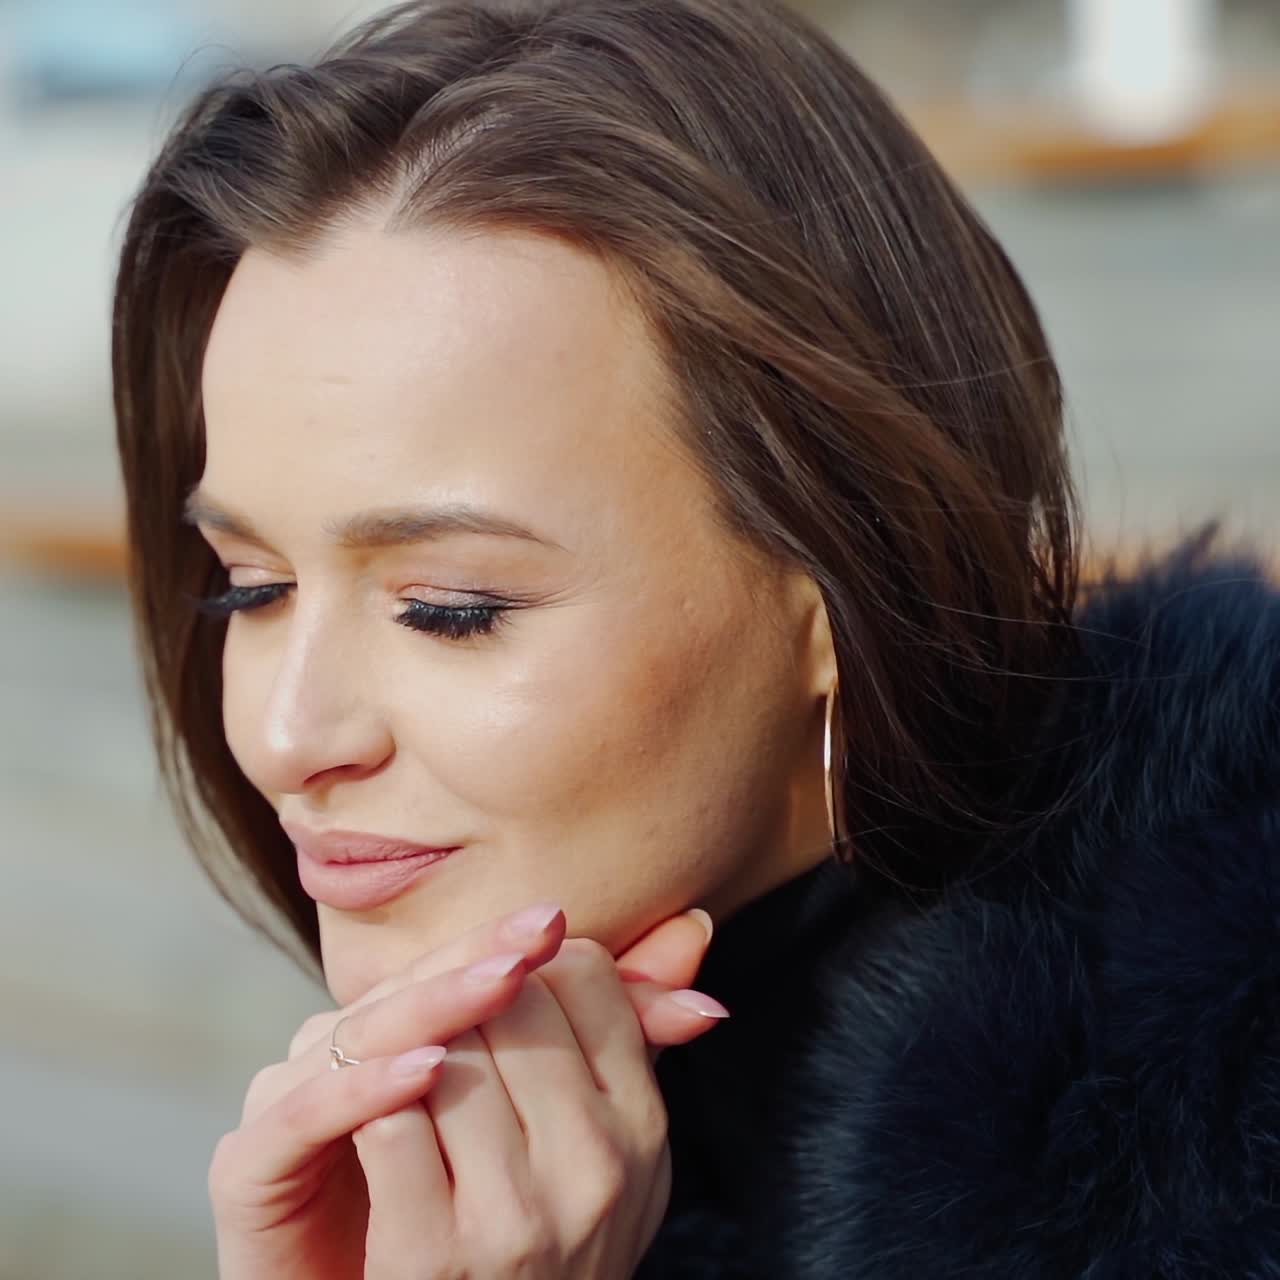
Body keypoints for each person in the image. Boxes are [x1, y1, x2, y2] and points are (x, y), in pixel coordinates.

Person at [109, 0, 1280, 1274]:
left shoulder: (1220, 1106)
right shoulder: (495, 1137)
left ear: (840, 584)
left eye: (450, 608)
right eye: (248, 586)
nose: (288, 735)